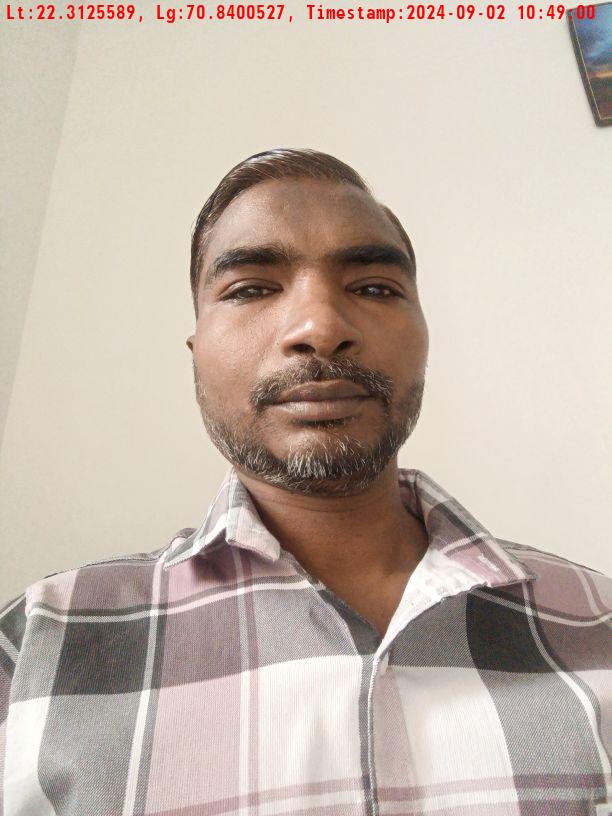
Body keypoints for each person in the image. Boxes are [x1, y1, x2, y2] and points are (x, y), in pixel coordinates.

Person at [0, 148, 610, 816]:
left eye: (374, 288)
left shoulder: (597, 621)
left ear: (424, 336)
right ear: (196, 353)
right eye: (251, 288)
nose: (320, 328)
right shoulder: (35, 645)